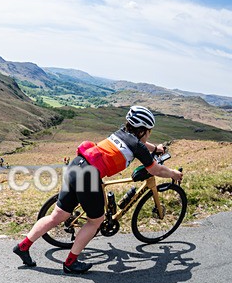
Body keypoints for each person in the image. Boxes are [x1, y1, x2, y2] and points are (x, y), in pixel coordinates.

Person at [13, 106, 183, 274]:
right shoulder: (137, 146)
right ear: (142, 131)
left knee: (57, 216)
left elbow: (140, 145)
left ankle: (23, 246)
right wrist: (173, 173)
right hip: (89, 177)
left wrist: (155, 149)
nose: (149, 134)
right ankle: (71, 263)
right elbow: (155, 170)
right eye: (149, 131)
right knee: (96, 221)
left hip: (76, 166)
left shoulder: (120, 132)